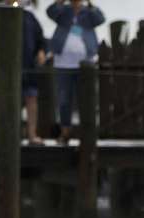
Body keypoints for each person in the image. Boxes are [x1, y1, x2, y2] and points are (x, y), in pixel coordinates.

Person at [48, 0, 105, 145]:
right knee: (64, 99)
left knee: (86, 99)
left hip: (85, 64)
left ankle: (87, 133)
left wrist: (90, 5)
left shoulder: (89, 12)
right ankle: (65, 131)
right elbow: (50, 12)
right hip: (63, 64)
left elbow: (100, 19)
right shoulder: (63, 11)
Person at [20, 1, 47, 145]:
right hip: (10, 70)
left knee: (32, 100)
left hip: (29, 67)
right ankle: (11, 135)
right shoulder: (3, 16)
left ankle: (31, 135)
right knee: (10, 103)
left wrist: (42, 51)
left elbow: (41, 39)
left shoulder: (30, 17)